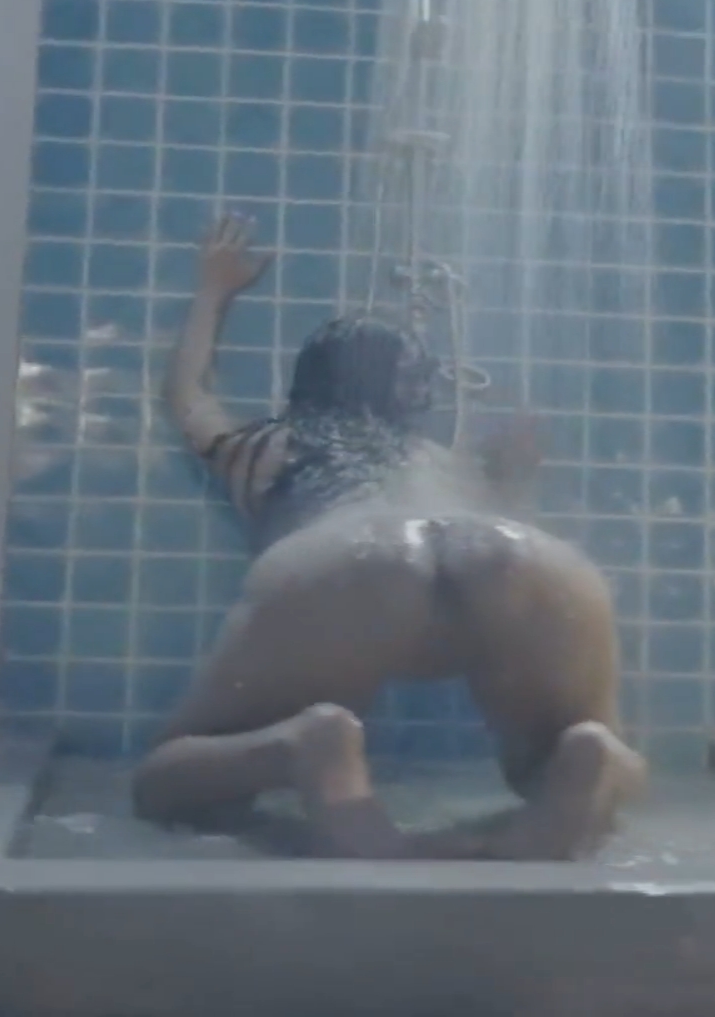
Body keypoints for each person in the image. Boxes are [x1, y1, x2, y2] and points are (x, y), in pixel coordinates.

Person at [131, 213, 648, 860]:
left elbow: (188, 396)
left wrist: (214, 289)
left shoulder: (266, 446)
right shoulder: (448, 463)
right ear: (412, 399)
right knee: (567, 750)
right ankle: (592, 755)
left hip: (347, 556)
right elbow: (500, 520)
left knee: (166, 779)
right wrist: (517, 469)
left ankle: (303, 745)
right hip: (514, 549)